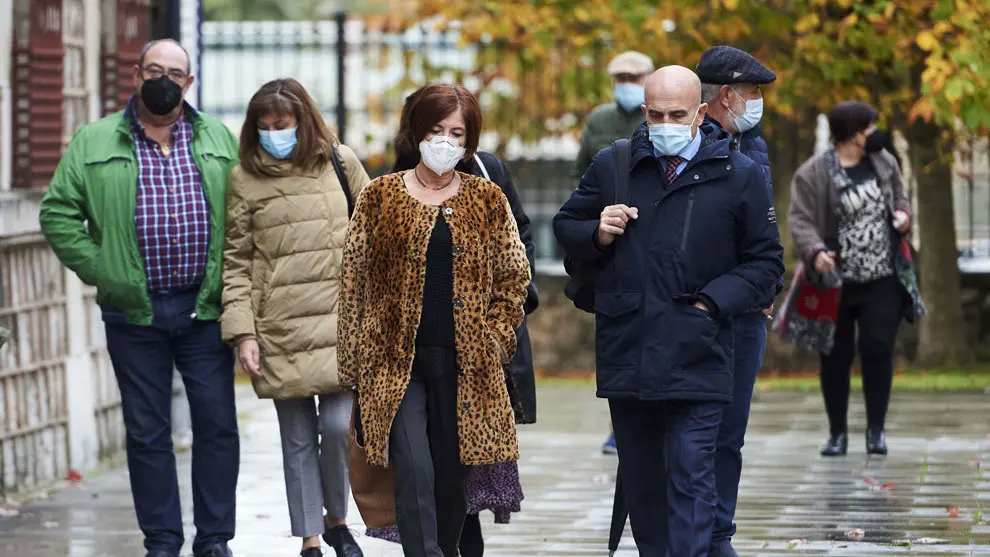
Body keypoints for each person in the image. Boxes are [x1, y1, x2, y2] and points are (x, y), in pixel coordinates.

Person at [553, 66, 784, 557]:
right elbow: (566, 226)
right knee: (645, 492)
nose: (665, 124)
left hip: (699, 352)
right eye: (655, 114)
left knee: (691, 480)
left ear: (701, 113)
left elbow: (766, 264)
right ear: (643, 111)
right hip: (629, 354)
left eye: (677, 114)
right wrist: (597, 230)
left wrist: (711, 302)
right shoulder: (615, 164)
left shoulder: (738, 174)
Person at [39, 39, 240, 557]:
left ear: (189, 83)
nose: (165, 80)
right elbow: (58, 214)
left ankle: (214, 540)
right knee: (147, 432)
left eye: (176, 73)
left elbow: (244, 215)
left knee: (216, 424)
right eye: (155, 69)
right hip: (133, 310)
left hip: (204, 307)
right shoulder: (94, 139)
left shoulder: (217, 136)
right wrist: (104, 271)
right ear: (136, 74)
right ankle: (162, 541)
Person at [338, 84, 531, 557]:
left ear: (469, 141)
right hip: (393, 364)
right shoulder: (380, 196)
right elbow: (353, 283)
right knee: (414, 468)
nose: (444, 141)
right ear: (417, 133)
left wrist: (495, 339)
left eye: (456, 132)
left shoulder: (487, 198)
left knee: (450, 479)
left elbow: (514, 278)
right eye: (436, 129)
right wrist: (352, 364)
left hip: (468, 367)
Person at [220, 78, 369, 557]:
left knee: (339, 428)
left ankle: (338, 520)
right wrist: (243, 332)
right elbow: (237, 261)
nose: (272, 133)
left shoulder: (341, 163)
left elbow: (376, 236)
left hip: (341, 324)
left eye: (281, 125)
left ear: (302, 121)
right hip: (279, 328)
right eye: (262, 126)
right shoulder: (245, 178)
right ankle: (310, 538)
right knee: (297, 438)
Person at [787, 101, 921, 457]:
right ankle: (837, 433)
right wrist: (815, 251)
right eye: (869, 128)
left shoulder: (884, 162)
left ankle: (876, 430)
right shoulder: (813, 172)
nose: (874, 133)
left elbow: (902, 198)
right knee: (835, 356)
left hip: (882, 278)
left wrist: (904, 217)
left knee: (878, 350)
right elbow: (800, 220)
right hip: (835, 282)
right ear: (852, 133)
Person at [696, 45, 780, 557]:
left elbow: (762, 230)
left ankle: (719, 533)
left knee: (731, 434)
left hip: (749, 311)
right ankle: (698, 532)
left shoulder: (754, 145)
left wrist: (765, 284)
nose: (757, 102)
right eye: (752, 93)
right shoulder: (690, 148)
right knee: (698, 434)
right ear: (726, 95)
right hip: (708, 309)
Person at [575, 49, 654, 455]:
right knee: (616, 338)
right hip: (608, 239)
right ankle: (617, 423)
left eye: (634, 76)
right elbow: (581, 173)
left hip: (649, 231)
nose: (626, 82)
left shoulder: (658, 116)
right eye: (620, 76)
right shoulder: (599, 120)